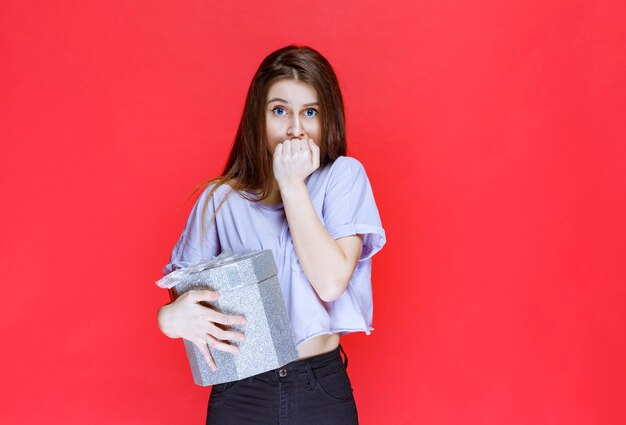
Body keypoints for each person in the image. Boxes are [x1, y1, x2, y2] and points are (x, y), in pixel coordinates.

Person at [157, 45, 386, 425]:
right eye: (280, 111)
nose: (295, 128)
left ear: (328, 119)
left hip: (320, 389)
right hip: (240, 391)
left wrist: (292, 185)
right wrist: (169, 317)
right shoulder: (220, 199)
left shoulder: (344, 177)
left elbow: (330, 282)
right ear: (257, 119)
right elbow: (184, 301)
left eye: (309, 112)